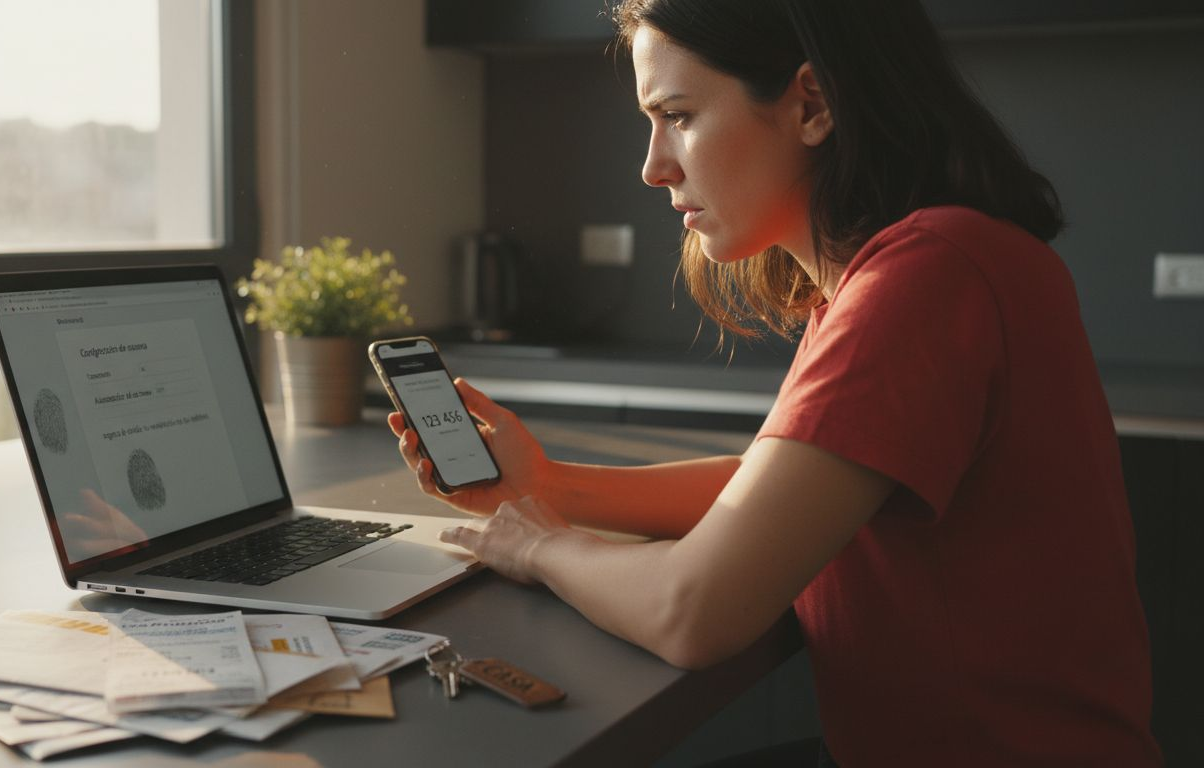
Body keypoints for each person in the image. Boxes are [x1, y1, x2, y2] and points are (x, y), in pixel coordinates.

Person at [387, 0, 1161, 765]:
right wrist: (551, 485)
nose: (653, 166)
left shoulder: (926, 278)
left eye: (679, 114)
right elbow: (780, 490)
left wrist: (543, 548)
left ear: (812, 103)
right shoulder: (917, 264)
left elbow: (694, 612)